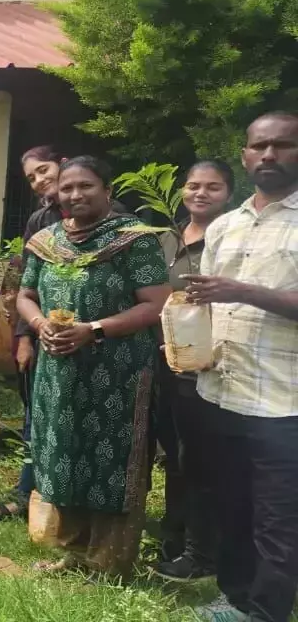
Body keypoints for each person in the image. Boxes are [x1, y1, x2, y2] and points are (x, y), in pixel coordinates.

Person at [16, 155, 171, 576]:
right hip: (59, 372)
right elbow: (25, 294)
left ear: (107, 191)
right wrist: (38, 324)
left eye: (85, 186)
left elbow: (156, 304)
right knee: (63, 454)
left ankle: (110, 562)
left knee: (110, 461)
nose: (74, 194)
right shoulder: (46, 240)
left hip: (117, 374)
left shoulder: (133, 240)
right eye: (67, 188)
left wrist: (95, 329)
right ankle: (74, 553)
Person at [185, 112, 298, 622]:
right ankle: (233, 598)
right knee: (231, 505)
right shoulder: (224, 226)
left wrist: (241, 292)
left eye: (283, 146)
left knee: (278, 518)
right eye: (260, 146)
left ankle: (267, 611)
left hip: (283, 400)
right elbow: (209, 301)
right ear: (246, 154)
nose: (270, 155)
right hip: (220, 391)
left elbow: (234, 294)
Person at [0, 145, 128, 522]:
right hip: (48, 338)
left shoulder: (123, 228)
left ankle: (87, 509)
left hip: (105, 348)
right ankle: (30, 493)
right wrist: (25, 335)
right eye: (32, 177)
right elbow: (25, 284)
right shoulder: (41, 221)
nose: (40, 180)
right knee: (40, 416)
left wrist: (95, 329)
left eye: (44, 170)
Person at [152, 161, 233, 581]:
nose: (201, 194)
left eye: (213, 187)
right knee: (174, 456)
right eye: (193, 186)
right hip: (165, 361)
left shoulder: (231, 238)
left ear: (229, 193)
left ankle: (202, 554)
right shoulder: (167, 236)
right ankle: (174, 537)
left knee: (199, 458)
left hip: (206, 364)